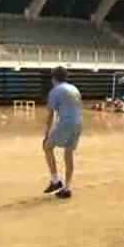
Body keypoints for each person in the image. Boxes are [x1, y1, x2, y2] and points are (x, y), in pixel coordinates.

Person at [42, 67, 83, 199]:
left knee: (47, 147)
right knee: (68, 153)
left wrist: (47, 134)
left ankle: (55, 181)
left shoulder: (55, 91)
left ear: (53, 78)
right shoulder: (74, 88)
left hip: (66, 123)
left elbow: (50, 115)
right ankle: (67, 188)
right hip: (78, 123)